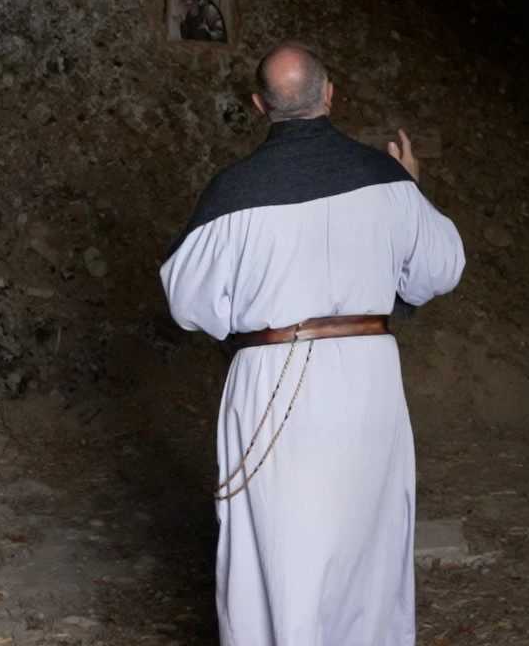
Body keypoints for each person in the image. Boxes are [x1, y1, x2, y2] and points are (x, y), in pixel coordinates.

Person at [160, 42, 465, 646]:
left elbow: (190, 304)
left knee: (278, 546)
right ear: (329, 94)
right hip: (366, 377)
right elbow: (441, 269)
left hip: (271, 380)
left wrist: (256, 324)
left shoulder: (233, 191)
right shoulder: (389, 183)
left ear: (258, 106)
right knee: (366, 539)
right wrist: (409, 190)